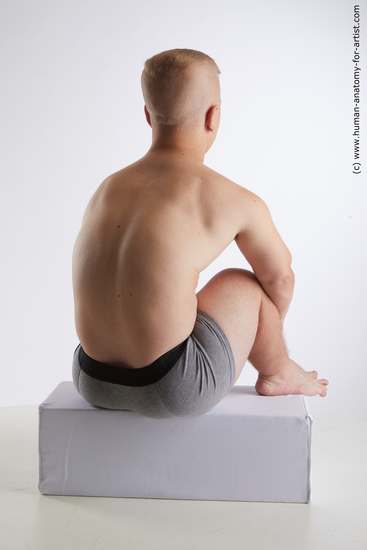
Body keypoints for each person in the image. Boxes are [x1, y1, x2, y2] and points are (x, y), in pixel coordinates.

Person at [72, 48, 328, 418]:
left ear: (148, 115)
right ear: (213, 115)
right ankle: (279, 370)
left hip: (91, 379)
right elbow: (282, 279)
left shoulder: (106, 189)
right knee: (244, 283)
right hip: (169, 387)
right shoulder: (234, 199)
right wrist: (262, 330)